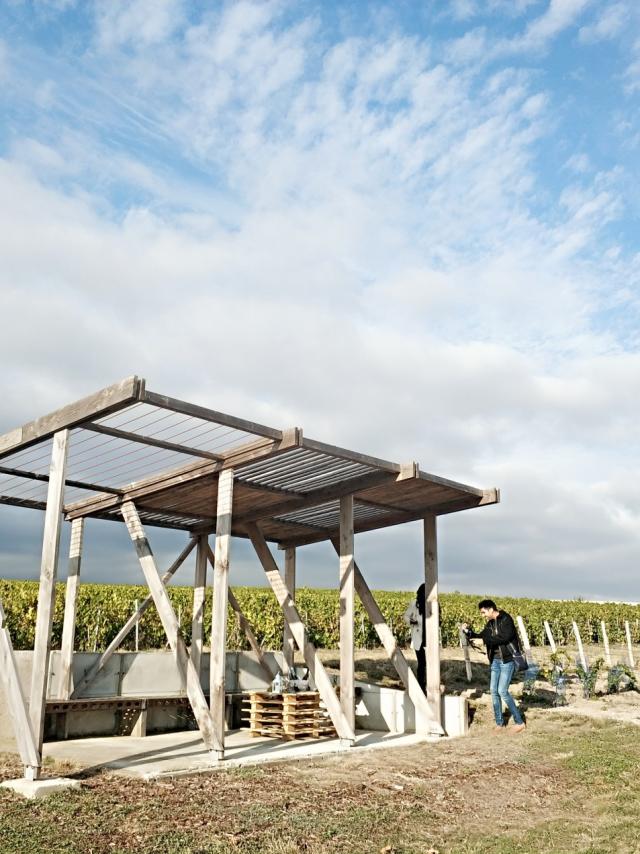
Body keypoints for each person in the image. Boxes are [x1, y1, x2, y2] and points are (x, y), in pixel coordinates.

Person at [462, 599, 526, 733]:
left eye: (483, 612)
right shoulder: (490, 624)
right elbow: (480, 636)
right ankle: (499, 722)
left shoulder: (506, 619)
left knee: (502, 691)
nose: (482, 615)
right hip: (495, 662)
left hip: (507, 661)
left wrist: (484, 640)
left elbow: (504, 637)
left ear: (491, 609)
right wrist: (468, 632)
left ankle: (519, 722)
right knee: (494, 691)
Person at [403, 583, 426, 692]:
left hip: (430, 638)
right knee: (422, 663)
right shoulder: (415, 604)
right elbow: (406, 616)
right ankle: (421, 686)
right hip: (419, 638)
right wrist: (412, 621)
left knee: (430, 664)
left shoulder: (434, 604)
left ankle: (430, 685)